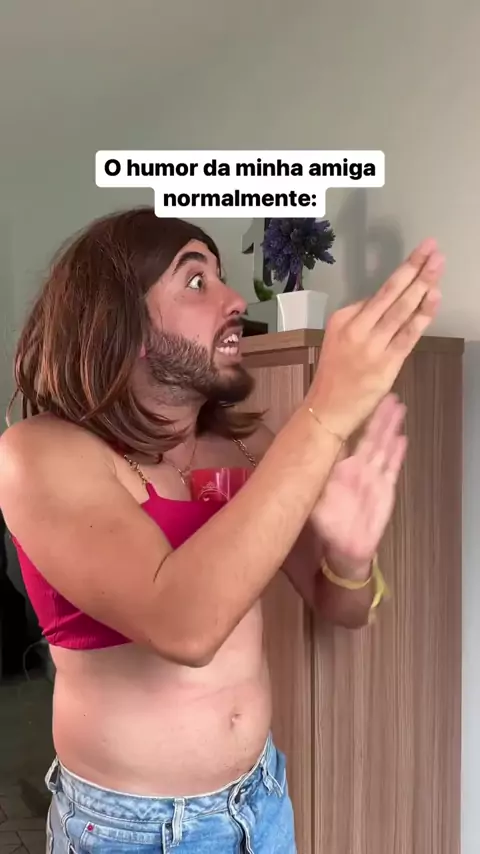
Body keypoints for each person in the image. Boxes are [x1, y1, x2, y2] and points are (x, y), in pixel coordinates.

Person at [0, 208, 443, 854]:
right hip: (132, 831)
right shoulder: (39, 453)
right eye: (196, 281)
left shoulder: (242, 444)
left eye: (222, 276)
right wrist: (325, 413)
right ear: (122, 324)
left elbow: (343, 608)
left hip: (260, 802)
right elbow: (184, 625)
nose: (236, 301)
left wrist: (351, 558)